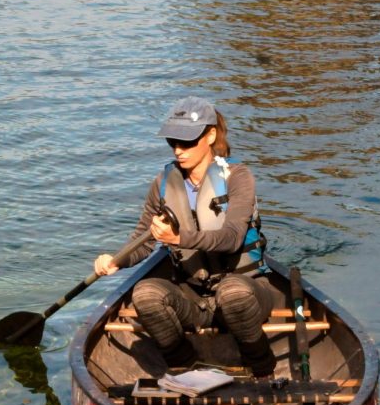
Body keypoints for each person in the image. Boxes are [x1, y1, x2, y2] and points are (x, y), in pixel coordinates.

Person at [93, 96, 276, 377]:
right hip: (192, 294)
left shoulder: (238, 177)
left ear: (211, 135)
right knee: (145, 294)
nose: (178, 150)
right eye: (172, 142)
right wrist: (117, 260)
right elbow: (143, 239)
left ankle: (263, 371)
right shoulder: (164, 183)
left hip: (247, 291)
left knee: (234, 293)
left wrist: (178, 239)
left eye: (187, 141)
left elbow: (232, 238)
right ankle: (187, 370)